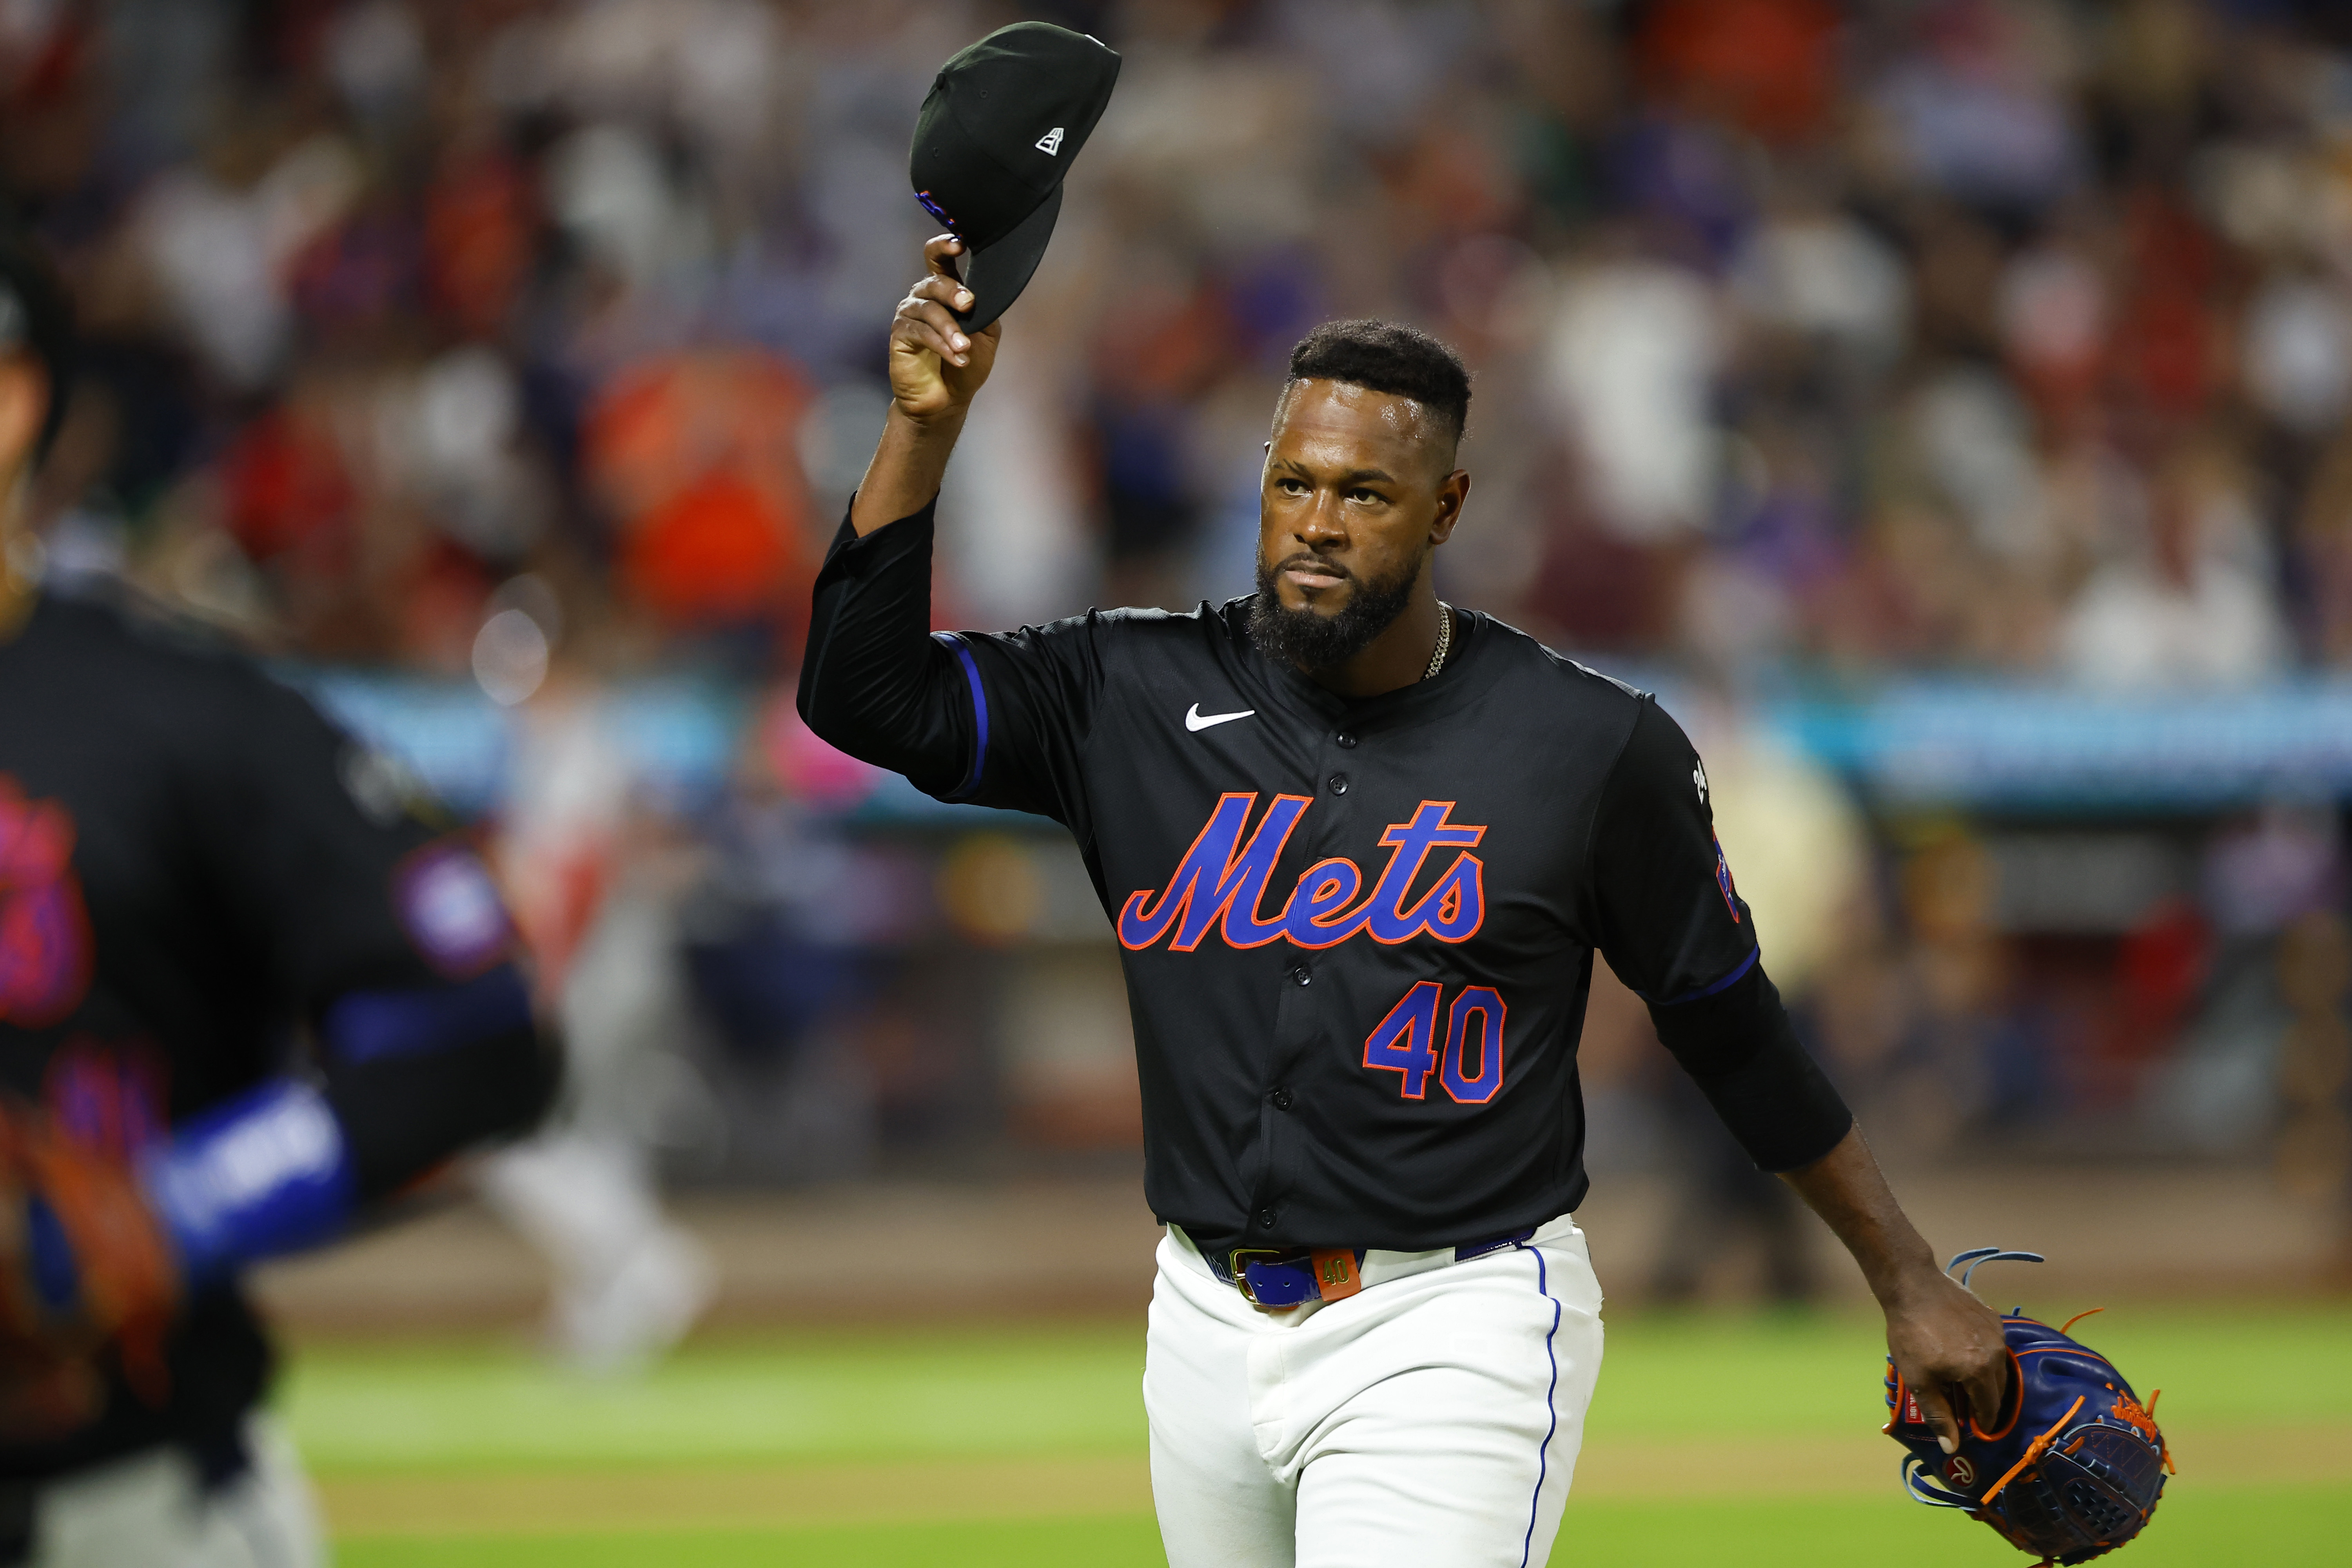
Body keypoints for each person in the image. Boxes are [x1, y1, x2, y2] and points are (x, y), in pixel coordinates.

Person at [799, 235, 2011, 1567]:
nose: (1316, 520)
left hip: (1456, 1320)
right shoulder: (1126, 694)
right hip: (1201, 1320)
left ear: (1444, 510)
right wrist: (925, 428)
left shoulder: (1589, 745)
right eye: (1292, 484)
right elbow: (862, 698)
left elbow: (1729, 1021)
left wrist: (1905, 1276)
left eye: (1365, 492)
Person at [0, 232, 554, 1565]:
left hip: (127, 1506)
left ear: (13, 399)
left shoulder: (179, 717)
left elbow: (471, 1032)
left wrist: (184, 1209)